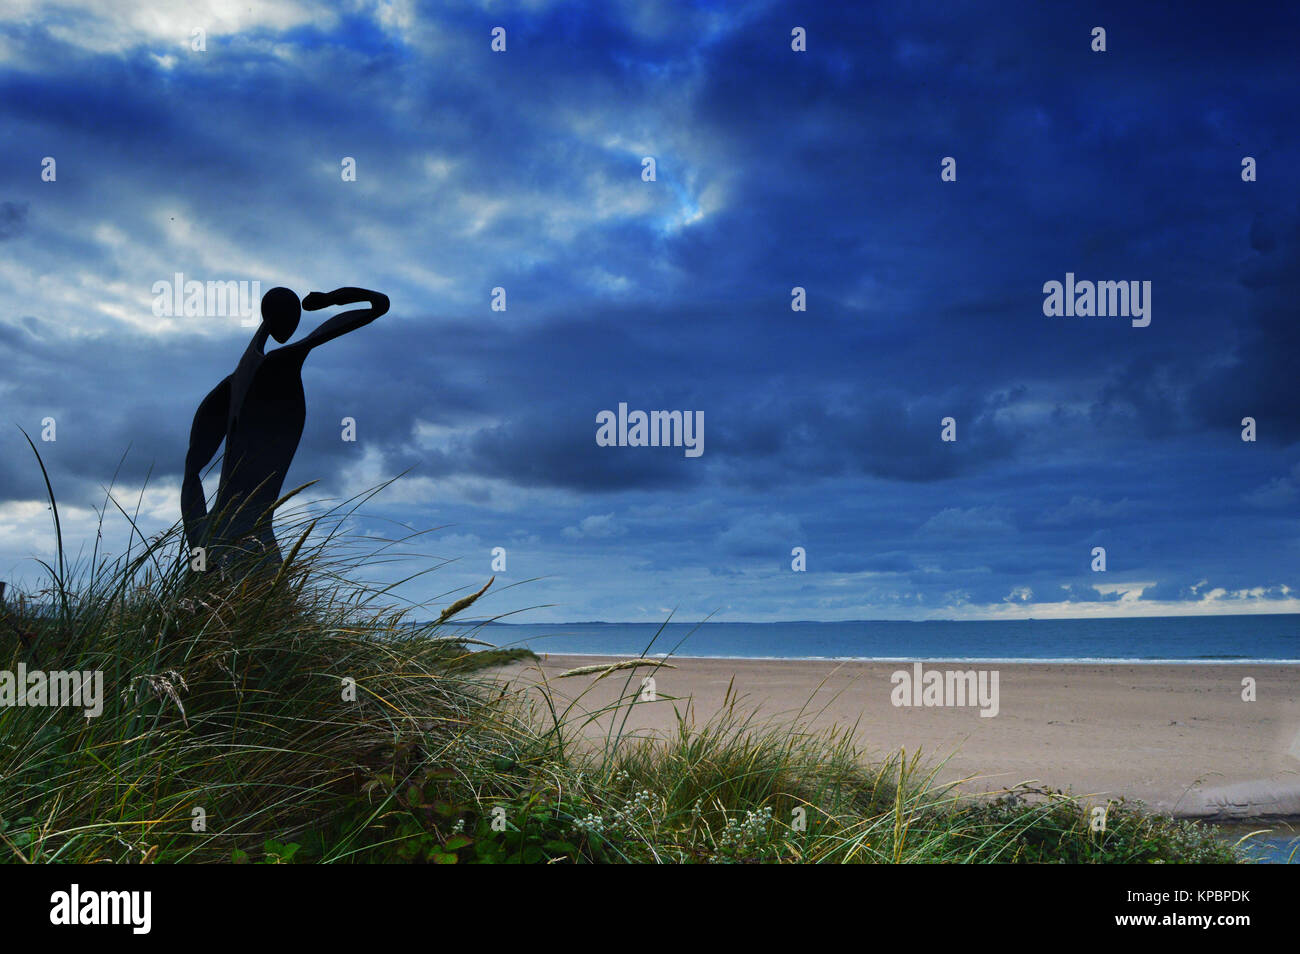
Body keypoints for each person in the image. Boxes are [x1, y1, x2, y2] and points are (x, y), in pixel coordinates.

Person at [181, 286, 389, 570]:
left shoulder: (231, 384)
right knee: (268, 610)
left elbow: (191, 472)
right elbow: (379, 305)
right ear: (289, 316)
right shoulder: (280, 363)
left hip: (214, 532)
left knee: (210, 607)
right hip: (253, 534)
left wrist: (198, 551)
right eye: (296, 316)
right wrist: (330, 298)